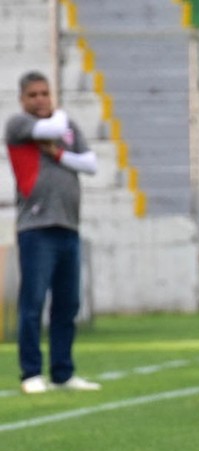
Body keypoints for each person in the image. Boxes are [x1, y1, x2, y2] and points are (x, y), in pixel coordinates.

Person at [5, 71, 101, 395]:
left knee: (67, 304)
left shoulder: (66, 127)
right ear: (22, 99)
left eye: (45, 93)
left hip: (68, 226)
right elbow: (55, 128)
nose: (40, 100)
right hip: (36, 227)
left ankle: (63, 372)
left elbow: (90, 164)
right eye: (33, 95)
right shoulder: (19, 125)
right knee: (33, 302)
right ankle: (31, 372)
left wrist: (58, 154)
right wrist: (59, 120)